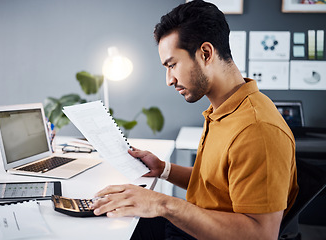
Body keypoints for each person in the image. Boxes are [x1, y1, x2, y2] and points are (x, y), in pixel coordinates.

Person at [92, 1, 299, 239]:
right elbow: (215, 186)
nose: (169, 79)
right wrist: (163, 169)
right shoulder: (224, 110)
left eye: (172, 65)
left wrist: (164, 204)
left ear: (205, 53)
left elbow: (261, 234)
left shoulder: (256, 129)